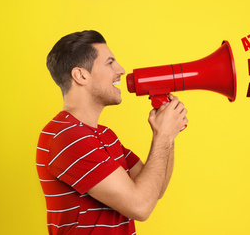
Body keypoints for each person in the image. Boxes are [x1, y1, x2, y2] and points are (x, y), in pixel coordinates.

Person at [36, 30, 188, 235]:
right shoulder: (66, 137)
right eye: (110, 63)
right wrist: (163, 137)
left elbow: (154, 190)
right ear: (81, 75)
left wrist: (168, 134)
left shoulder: (104, 135)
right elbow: (140, 207)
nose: (121, 70)